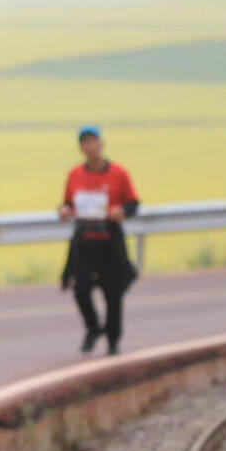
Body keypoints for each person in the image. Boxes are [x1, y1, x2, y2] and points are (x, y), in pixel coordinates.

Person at [57, 126, 139, 355]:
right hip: (84, 241)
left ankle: (113, 340)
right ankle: (93, 328)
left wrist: (120, 211)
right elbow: (67, 203)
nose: (90, 147)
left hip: (110, 241)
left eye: (93, 141)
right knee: (80, 289)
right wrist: (64, 211)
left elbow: (133, 204)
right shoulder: (75, 175)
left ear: (101, 143)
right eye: (85, 143)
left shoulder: (118, 174)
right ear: (81, 148)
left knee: (113, 293)